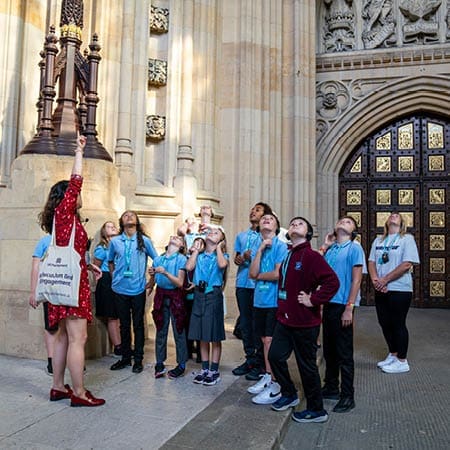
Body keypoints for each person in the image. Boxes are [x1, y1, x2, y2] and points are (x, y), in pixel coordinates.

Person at [39, 134, 105, 407]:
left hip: (61, 282)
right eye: (73, 194)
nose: (79, 197)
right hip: (71, 285)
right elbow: (76, 181)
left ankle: (57, 386)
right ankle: (79, 392)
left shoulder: (66, 221)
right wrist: (79, 151)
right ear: (65, 197)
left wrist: (87, 263)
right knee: (79, 337)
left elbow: (72, 252)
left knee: (64, 336)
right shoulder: (64, 213)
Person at [268, 217, 339, 423]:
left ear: (308, 232)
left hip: (305, 322)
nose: (294, 225)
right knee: (275, 357)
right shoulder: (290, 254)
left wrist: (313, 299)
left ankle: (317, 410)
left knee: (306, 366)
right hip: (285, 320)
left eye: (300, 223)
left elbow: (332, 282)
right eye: (292, 224)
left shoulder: (311, 256)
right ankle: (289, 393)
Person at [319, 216, 366, 413]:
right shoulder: (331, 249)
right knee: (329, 350)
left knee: (344, 353)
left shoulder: (354, 247)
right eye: (341, 220)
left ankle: (348, 395)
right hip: (328, 304)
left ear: (353, 230)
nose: (343, 222)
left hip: (342, 305)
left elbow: (356, 280)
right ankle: (331, 387)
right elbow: (318, 271)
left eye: (348, 222)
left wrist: (349, 307)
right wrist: (325, 246)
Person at [368, 212, 420, 374]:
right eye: (392, 215)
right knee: (385, 322)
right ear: (387, 221)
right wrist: (376, 280)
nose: (394, 216)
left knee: (398, 323)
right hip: (381, 288)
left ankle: (402, 361)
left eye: (397, 216)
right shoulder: (379, 240)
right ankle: (393, 354)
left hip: (400, 288)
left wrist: (385, 280)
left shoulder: (407, 239)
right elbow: (371, 262)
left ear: (402, 222)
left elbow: (406, 264)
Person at [108, 211, 158, 374]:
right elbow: (110, 261)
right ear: (121, 222)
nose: (129, 216)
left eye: (132, 215)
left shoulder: (144, 241)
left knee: (138, 324)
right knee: (123, 324)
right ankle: (125, 358)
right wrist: (114, 276)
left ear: (137, 221)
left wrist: (151, 281)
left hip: (137, 289)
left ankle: (138, 359)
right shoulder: (115, 241)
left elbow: (156, 261)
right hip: (119, 289)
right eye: (125, 215)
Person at [247, 213, 288, 405]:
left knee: (270, 340)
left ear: (277, 226)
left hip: (273, 300)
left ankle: (275, 382)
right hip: (259, 300)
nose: (265, 220)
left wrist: (259, 276)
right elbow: (251, 273)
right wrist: (260, 250)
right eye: (263, 219)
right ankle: (267, 375)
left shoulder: (281, 246)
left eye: (270, 219)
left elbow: (277, 274)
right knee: (263, 340)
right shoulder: (258, 247)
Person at [232, 202, 273, 378]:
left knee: (258, 325)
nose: (253, 212)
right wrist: (242, 257)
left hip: (260, 285)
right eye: (252, 210)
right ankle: (250, 359)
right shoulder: (241, 236)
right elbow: (236, 260)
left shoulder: (267, 236)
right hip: (243, 283)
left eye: (257, 210)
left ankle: (261, 362)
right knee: (246, 325)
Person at [186, 227, 229, 386]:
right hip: (199, 295)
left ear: (221, 240)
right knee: (202, 334)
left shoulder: (222, 255)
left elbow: (222, 264)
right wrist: (196, 251)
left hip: (213, 295)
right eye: (210, 232)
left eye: (216, 233)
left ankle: (214, 370)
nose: (212, 233)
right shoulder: (199, 256)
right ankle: (204, 368)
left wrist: (218, 248)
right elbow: (189, 267)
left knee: (214, 334)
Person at [147, 235, 188, 379]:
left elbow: (180, 283)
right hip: (160, 295)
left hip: (175, 296)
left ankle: (181, 364)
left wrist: (165, 272)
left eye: (178, 239)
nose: (174, 237)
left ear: (182, 246)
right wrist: (151, 276)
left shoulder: (182, 259)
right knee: (160, 329)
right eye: (173, 237)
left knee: (179, 330)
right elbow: (153, 280)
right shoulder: (158, 259)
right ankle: (159, 363)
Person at [93, 221, 121, 357]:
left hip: (119, 279)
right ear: (104, 232)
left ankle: (124, 343)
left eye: (114, 225)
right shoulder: (102, 249)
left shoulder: (121, 245)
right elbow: (95, 267)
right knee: (113, 316)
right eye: (109, 226)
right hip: (106, 280)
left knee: (120, 315)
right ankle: (118, 346)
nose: (113, 227)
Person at [29, 234, 56, 375]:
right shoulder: (45, 241)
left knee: (71, 326)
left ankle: (73, 360)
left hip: (68, 289)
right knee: (51, 327)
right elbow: (36, 266)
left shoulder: (74, 237)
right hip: (49, 289)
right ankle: (51, 360)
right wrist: (33, 291)